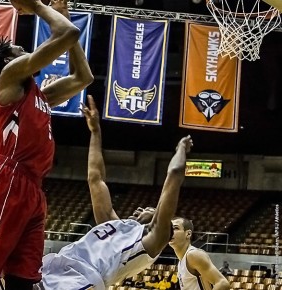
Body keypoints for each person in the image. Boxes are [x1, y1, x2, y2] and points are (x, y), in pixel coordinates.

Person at [0, 0, 93, 290]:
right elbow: (68, 33)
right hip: (6, 177)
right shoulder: (9, 79)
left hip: (33, 187)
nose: (27, 51)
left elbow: (83, 77)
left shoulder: (40, 95)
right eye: (20, 50)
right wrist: (39, 8)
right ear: (9, 61)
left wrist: (63, 17)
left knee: (23, 282)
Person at [34, 95, 193, 290]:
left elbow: (174, 175)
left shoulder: (149, 243)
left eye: (149, 209)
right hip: (56, 265)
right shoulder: (114, 224)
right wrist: (95, 131)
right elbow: (95, 178)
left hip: (80, 280)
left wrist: (181, 149)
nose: (140, 208)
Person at [169, 218, 230, 290]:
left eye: (176, 228)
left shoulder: (193, 255)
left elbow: (222, 283)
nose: (170, 232)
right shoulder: (181, 261)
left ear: (188, 234)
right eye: (169, 229)